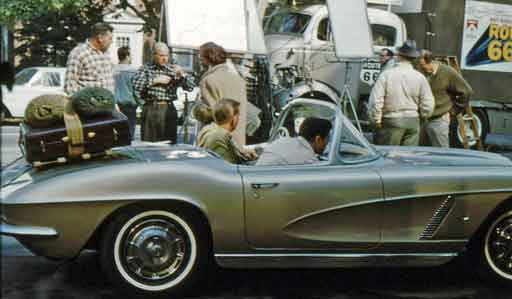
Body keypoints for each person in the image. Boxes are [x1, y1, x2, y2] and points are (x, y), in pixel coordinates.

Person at [368, 40, 435, 146]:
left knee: (389, 157)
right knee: (408, 158)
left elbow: (376, 100)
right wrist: (422, 116)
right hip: (412, 121)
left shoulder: (386, 75)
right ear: (413, 58)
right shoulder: (420, 77)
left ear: (399, 56)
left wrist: (376, 120)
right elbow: (428, 104)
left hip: (391, 120)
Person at [133, 42, 195, 143]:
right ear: (154, 55)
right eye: (161, 55)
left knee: (169, 143)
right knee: (149, 142)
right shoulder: (146, 68)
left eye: (166, 55)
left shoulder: (173, 68)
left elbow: (191, 86)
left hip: (168, 108)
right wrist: (155, 80)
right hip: (151, 108)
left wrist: (182, 74)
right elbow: (136, 85)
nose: (164, 59)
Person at [418, 50, 473, 148]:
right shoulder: (424, 73)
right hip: (423, 120)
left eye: (422, 65)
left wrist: (454, 111)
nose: (421, 68)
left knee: (441, 152)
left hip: (439, 120)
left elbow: (467, 91)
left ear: (431, 61)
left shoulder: (448, 72)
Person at [198, 42, 247, 145]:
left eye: (201, 56)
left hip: (218, 140)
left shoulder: (208, 80)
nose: (199, 59)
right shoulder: (238, 79)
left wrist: (197, 111)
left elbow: (211, 113)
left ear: (207, 59)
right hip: (238, 136)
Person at [197, 99, 256, 164]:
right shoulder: (219, 137)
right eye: (238, 115)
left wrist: (241, 152)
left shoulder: (211, 130)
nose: (239, 118)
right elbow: (228, 168)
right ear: (234, 119)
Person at [256, 117, 332, 166]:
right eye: (327, 140)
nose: (327, 144)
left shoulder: (282, 141)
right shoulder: (308, 160)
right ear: (318, 139)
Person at [64, 23, 115, 95]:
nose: (112, 42)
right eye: (110, 38)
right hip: (88, 105)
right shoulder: (79, 53)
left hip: (108, 104)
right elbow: (70, 87)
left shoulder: (106, 54)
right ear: (100, 38)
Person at [114, 46, 140, 140]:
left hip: (114, 107)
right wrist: (141, 104)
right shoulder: (133, 72)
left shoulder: (111, 70)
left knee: (116, 136)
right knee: (128, 136)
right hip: (129, 107)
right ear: (127, 56)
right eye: (131, 55)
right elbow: (136, 90)